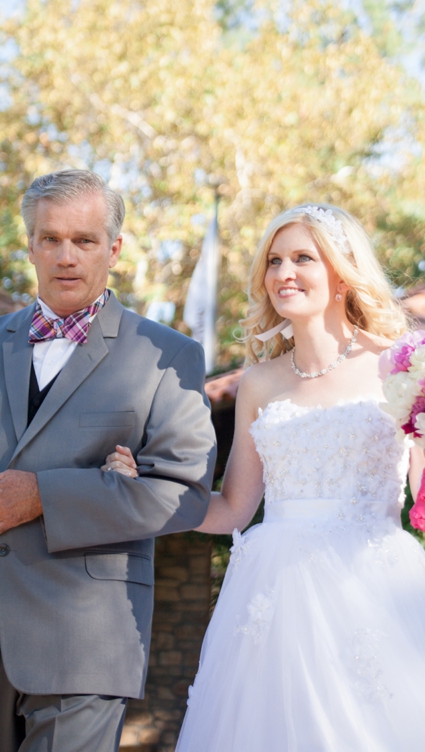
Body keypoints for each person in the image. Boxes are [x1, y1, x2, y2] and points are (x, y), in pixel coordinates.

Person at [107, 204, 425, 751]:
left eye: (302, 258)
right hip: (274, 597)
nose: (282, 273)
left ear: (341, 273)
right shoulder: (259, 384)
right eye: (274, 261)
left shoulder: (400, 365)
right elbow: (233, 510)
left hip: (373, 586)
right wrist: (146, 488)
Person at [0, 170, 216, 752]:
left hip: (85, 637)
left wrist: (44, 493)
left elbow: (185, 491)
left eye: (85, 240)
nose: (66, 256)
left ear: (114, 249)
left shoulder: (167, 356)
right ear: (30, 245)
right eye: (50, 239)